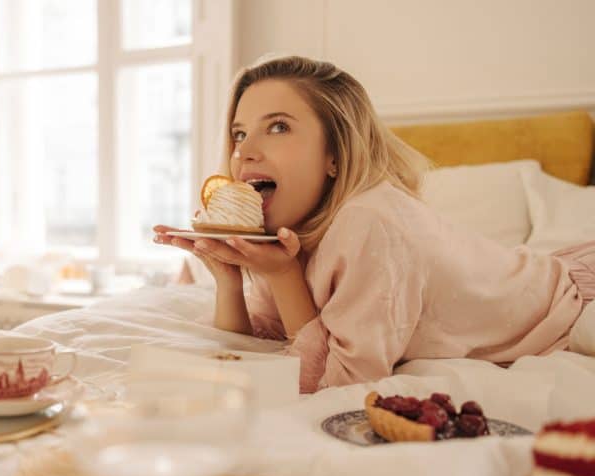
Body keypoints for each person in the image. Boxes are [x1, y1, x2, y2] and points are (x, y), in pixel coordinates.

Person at [153, 55, 595, 393]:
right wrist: (229, 281)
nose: (245, 151)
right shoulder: (288, 227)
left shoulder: (371, 222)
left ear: (334, 154)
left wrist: (284, 276)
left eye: (279, 127)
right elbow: (265, 346)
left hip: (570, 305)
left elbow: (338, 386)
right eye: (239, 133)